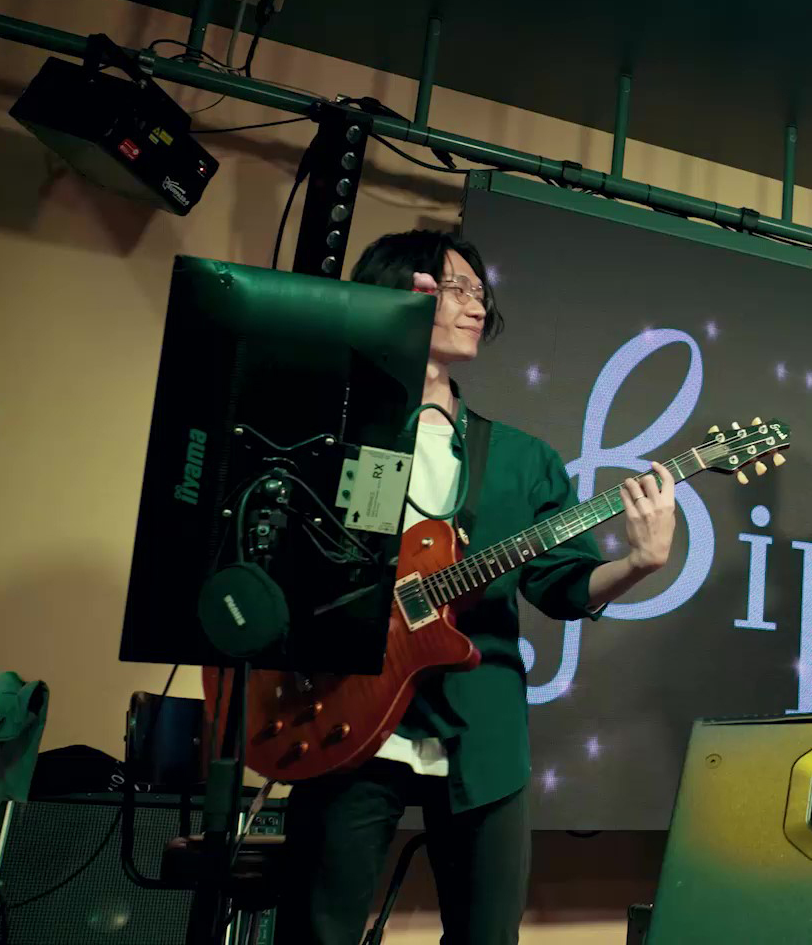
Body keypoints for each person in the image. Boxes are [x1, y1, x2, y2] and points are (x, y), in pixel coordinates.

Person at [280, 230, 680, 945]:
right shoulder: (327, 431)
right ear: (402, 291)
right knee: (318, 931)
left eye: (480, 294)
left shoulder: (524, 458)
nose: (476, 307)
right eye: (456, 289)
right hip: (344, 714)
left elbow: (560, 586)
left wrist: (639, 564)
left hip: (480, 727)